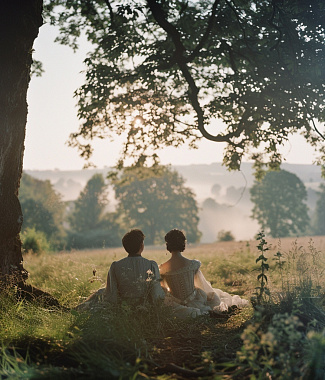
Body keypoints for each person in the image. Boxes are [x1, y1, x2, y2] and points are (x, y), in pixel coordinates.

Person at [159, 229, 249, 318]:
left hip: (176, 305)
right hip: (195, 301)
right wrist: (208, 297)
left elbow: (163, 290)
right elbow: (202, 285)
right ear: (183, 244)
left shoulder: (162, 268)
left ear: (168, 245)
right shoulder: (192, 264)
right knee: (212, 300)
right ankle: (218, 312)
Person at [76, 229, 164, 311]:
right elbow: (156, 294)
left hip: (123, 306)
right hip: (145, 307)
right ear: (142, 246)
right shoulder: (151, 265)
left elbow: (111, 294)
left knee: (99, 293)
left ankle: (77, 309)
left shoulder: (116, 266)